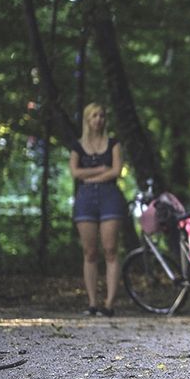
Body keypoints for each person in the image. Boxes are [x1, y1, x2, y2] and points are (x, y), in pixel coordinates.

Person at [69, 102, 125, 317]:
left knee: (110, 249)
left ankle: (109, 303)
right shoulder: (77, 146)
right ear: (87, 119)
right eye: (94, 116)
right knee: (90, 252)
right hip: (85, 199)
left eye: (102, 115)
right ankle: (92, 302)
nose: (98, 119)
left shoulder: (113, 144)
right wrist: (102, 169)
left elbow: (116, 171)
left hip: (109, 197)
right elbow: (74, 173)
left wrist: (91, 174)